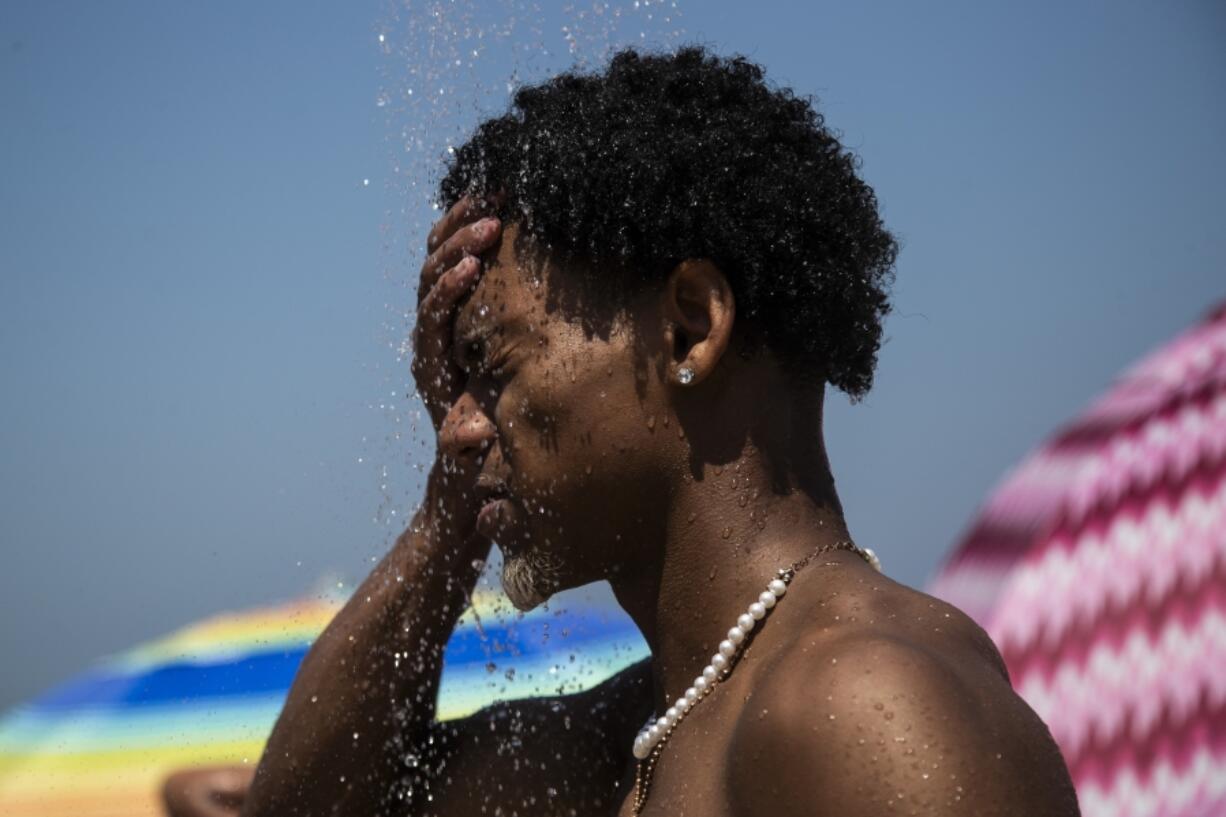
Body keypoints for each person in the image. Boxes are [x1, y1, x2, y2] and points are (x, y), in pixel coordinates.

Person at [172, 46, 1079, 816]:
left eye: (492, 367)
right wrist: (446, 516)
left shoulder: (860, 704)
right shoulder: (642, 725)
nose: (458, 425)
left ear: (689, 326)